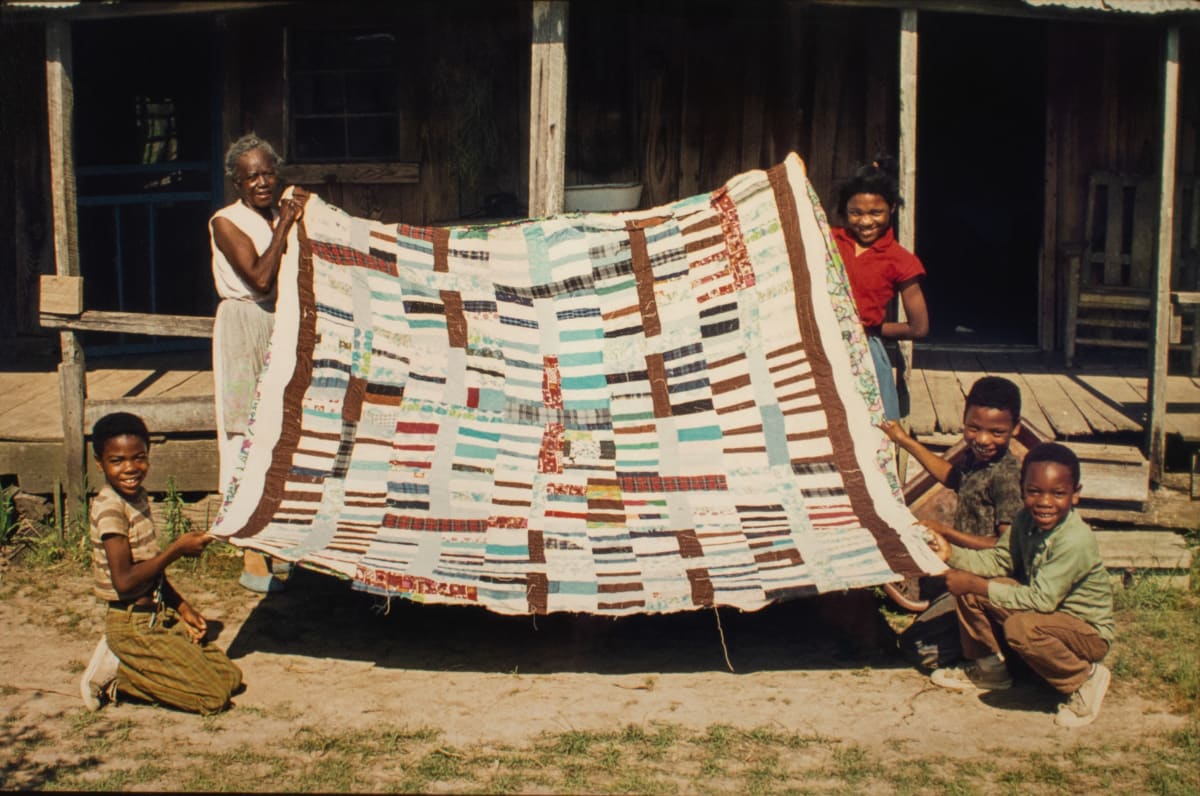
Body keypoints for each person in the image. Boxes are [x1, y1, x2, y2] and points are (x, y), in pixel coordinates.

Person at [925, 442, 1115, 728]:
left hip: (1084, 633)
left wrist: (977, 585)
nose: (1045, 502)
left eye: (1058, 493)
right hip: (1050, 620)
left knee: (1017, 624)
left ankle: (1084, 679)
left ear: (1075, 495)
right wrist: (952, 554)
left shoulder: (1075, 539)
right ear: (1022, 489)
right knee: (972, 591)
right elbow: (1000, 561)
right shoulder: (1025, 521)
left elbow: (1042, 601)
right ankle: (991, 668)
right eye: (1034, 491)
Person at [80, 412, 243, 714]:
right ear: (100, 462)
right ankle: (118, 678)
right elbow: (125, 581)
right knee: (212, 698)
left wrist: (182, 607)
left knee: (231, 677)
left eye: (139, 458)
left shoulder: (137, 498)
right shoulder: (110, 509)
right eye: (117, 461)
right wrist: (176, 550)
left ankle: (139, 661)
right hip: (131, 625)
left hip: (157, 615)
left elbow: (148, 568)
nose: (130, 468)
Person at [210, 133, 307, 592]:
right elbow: (261, 279)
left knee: (280, 428)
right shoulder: (226, 222)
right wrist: (286, 225)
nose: (263, 182)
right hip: (245, 326)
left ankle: (276, 538)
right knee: (244, 431)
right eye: (253, 176)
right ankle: (250, 551)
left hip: (278, 326)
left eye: (269, 173)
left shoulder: (275, 215)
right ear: (237, 182)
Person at [882, 376, 1025, 668]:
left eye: (996, 432)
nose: (983, 439)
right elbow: (951, 477)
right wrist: (904, 441)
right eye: (974, 428)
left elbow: (1003, 545)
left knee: (920, 651)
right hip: (962, 566)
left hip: (989, 578)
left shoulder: (1007, 477)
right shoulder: (977, 461)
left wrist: (944, 531)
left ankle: (997, 650)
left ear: (1016, 429)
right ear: (963, 419)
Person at [832, 157, 929, 420]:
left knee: (870, 427)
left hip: (865, 354)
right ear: (844, 211)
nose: (865, 222)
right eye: (856, 213)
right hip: (822, 346)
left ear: (893, 209)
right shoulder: (827, 241)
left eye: (876, 213)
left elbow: (919, 327)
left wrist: (870, 329)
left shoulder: (901, 261)